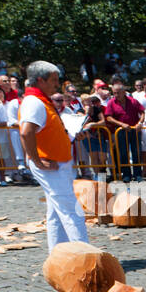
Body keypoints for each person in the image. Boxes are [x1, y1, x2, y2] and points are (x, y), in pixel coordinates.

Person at [18, 60, 88, 250]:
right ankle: (86, 256)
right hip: (50, 164)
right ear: (40, 80)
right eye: (54, 80)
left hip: (56, 163)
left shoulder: (40, 101)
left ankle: (58, 253)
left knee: (56, 212)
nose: (57, 84)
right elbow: (26, 132)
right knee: (71, 210)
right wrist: (37, 160)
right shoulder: (34, 102)